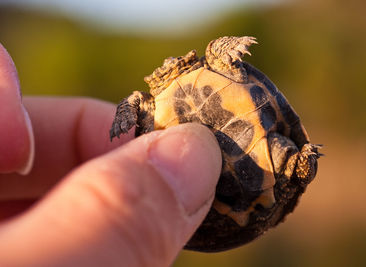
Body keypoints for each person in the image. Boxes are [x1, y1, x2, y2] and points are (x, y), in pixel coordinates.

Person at [0, 44, 222, 266]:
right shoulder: (145, 101)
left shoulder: (213, 68)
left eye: (175, 62)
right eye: (167, 64)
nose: (170, 64)